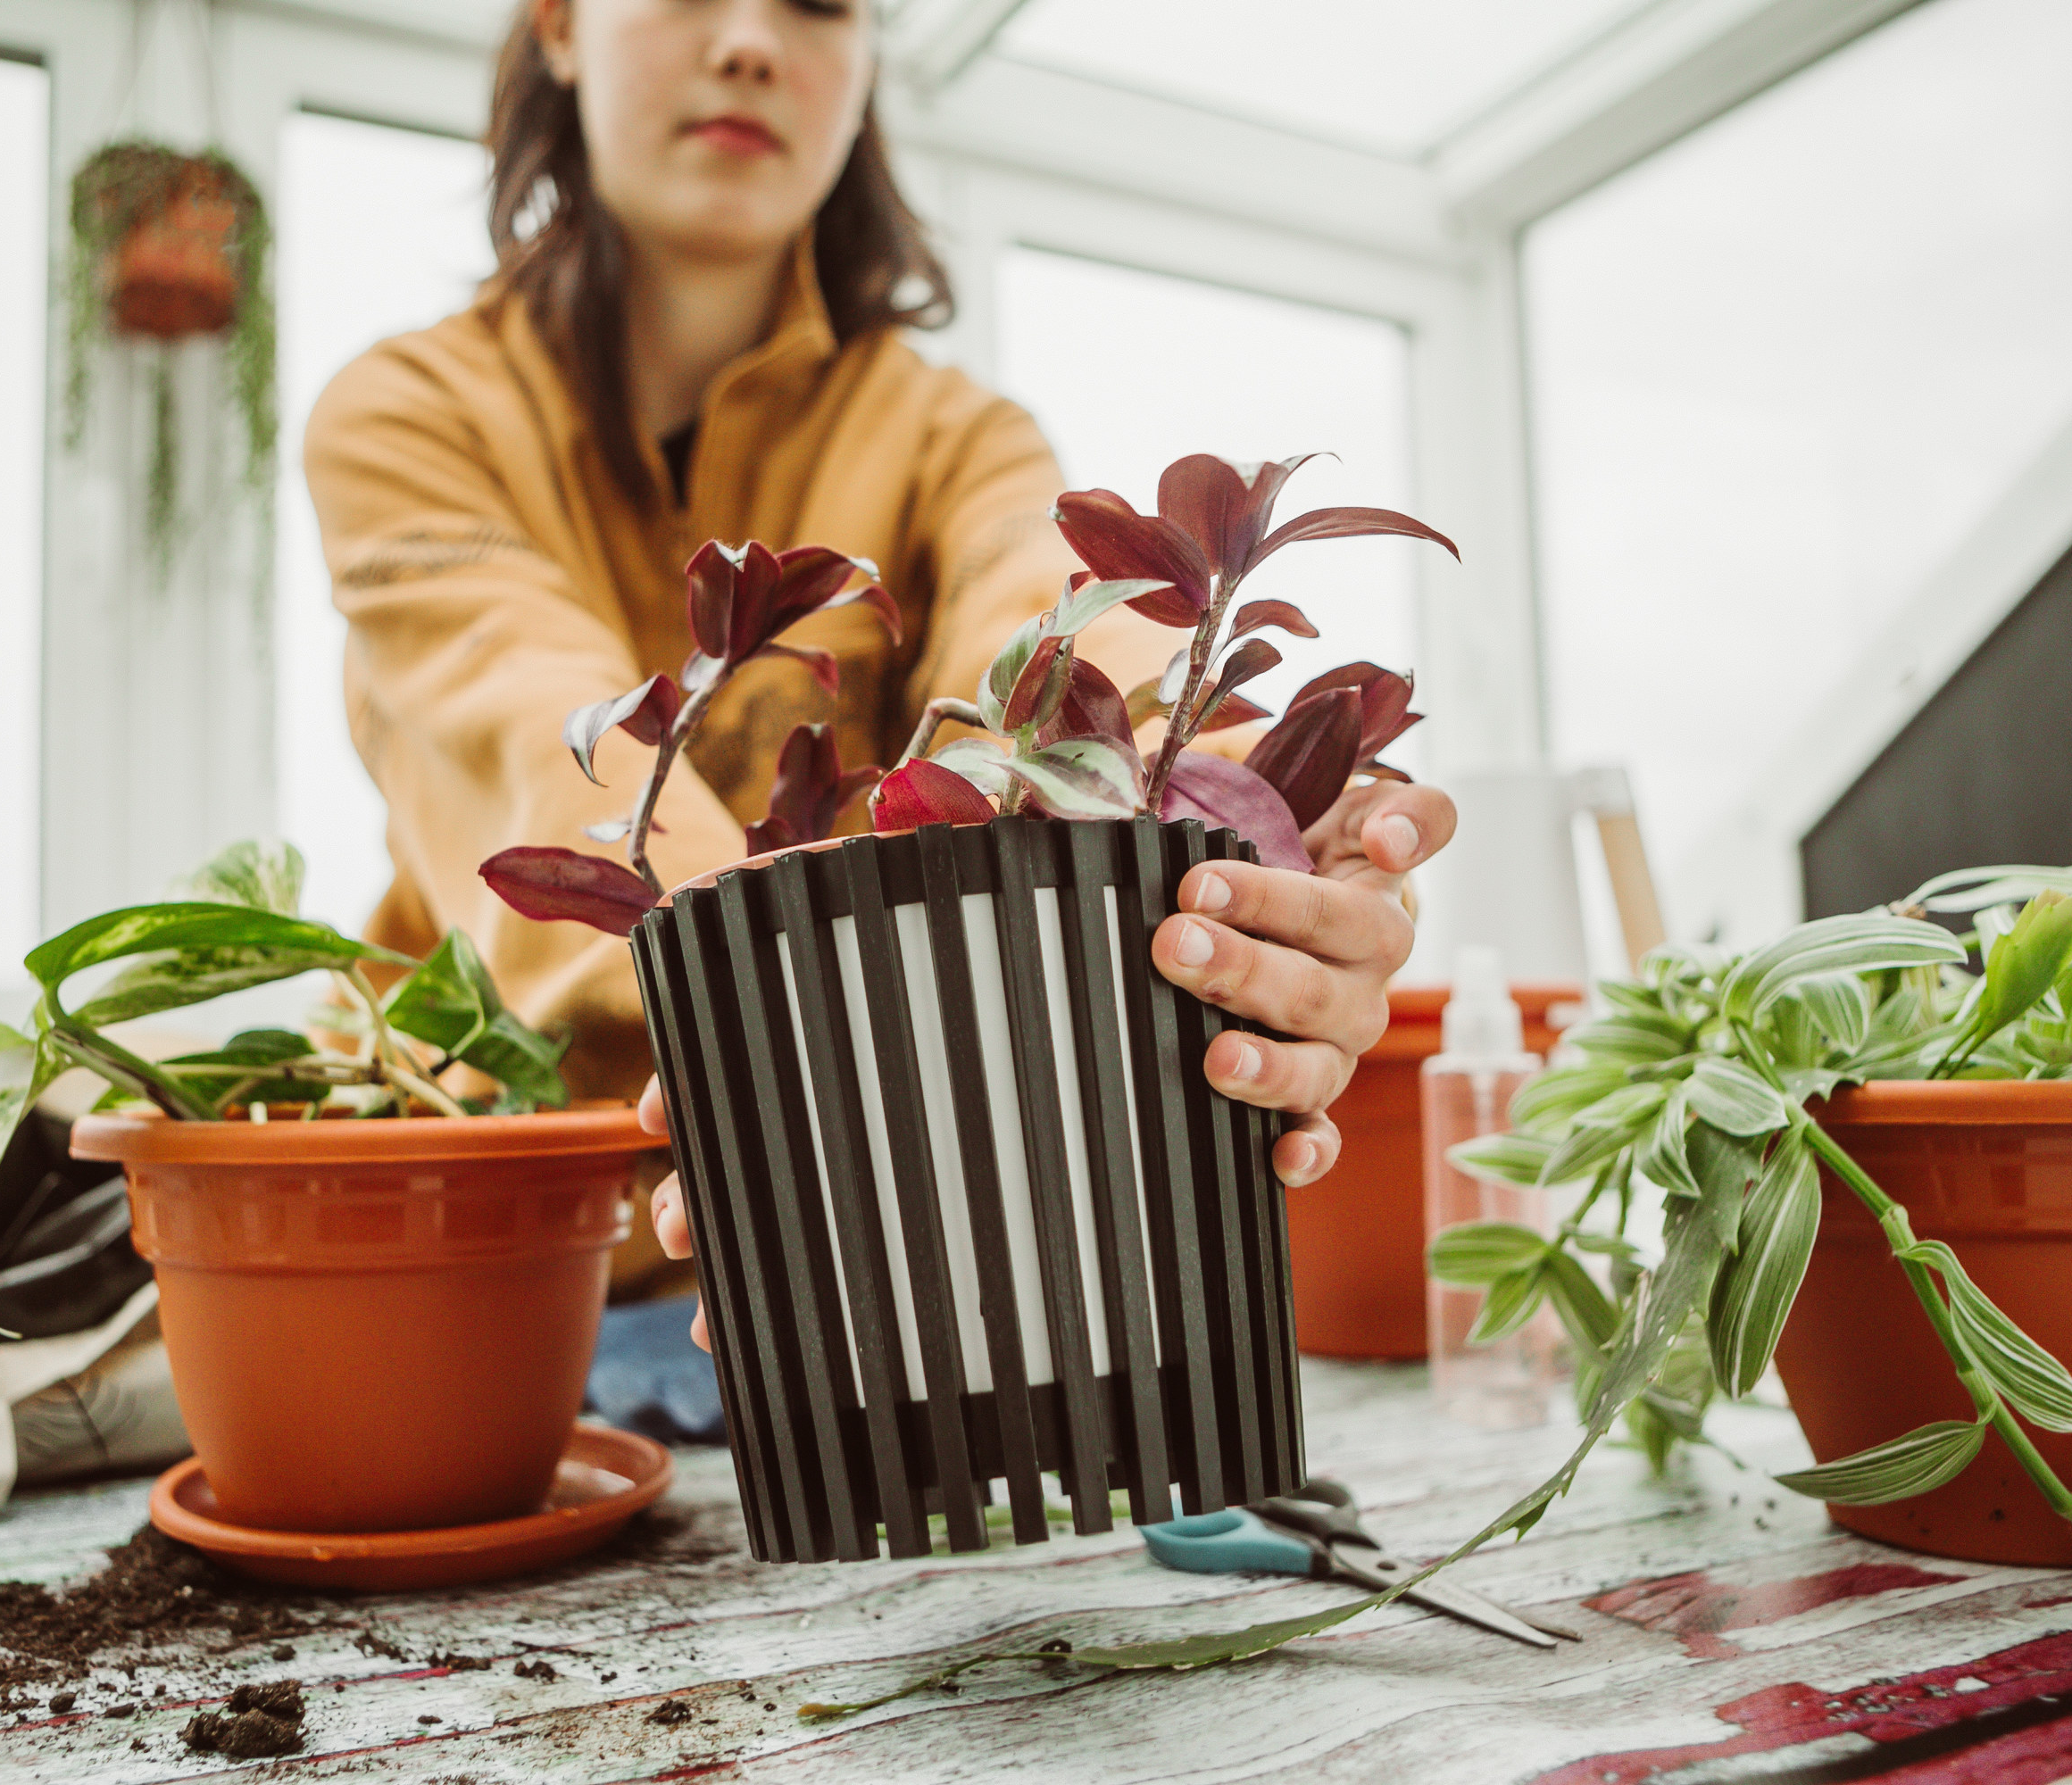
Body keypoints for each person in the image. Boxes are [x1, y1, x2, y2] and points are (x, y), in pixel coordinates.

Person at [303, 0, 1460, 1316]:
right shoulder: (405, 415)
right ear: (558, 23)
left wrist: (1263, 836)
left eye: (818, 4)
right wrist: (805, 1023)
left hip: (884, 1247)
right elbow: (525, 728)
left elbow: (1057, 624)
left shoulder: (954, 437)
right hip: (486, 1230)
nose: (750, 43)